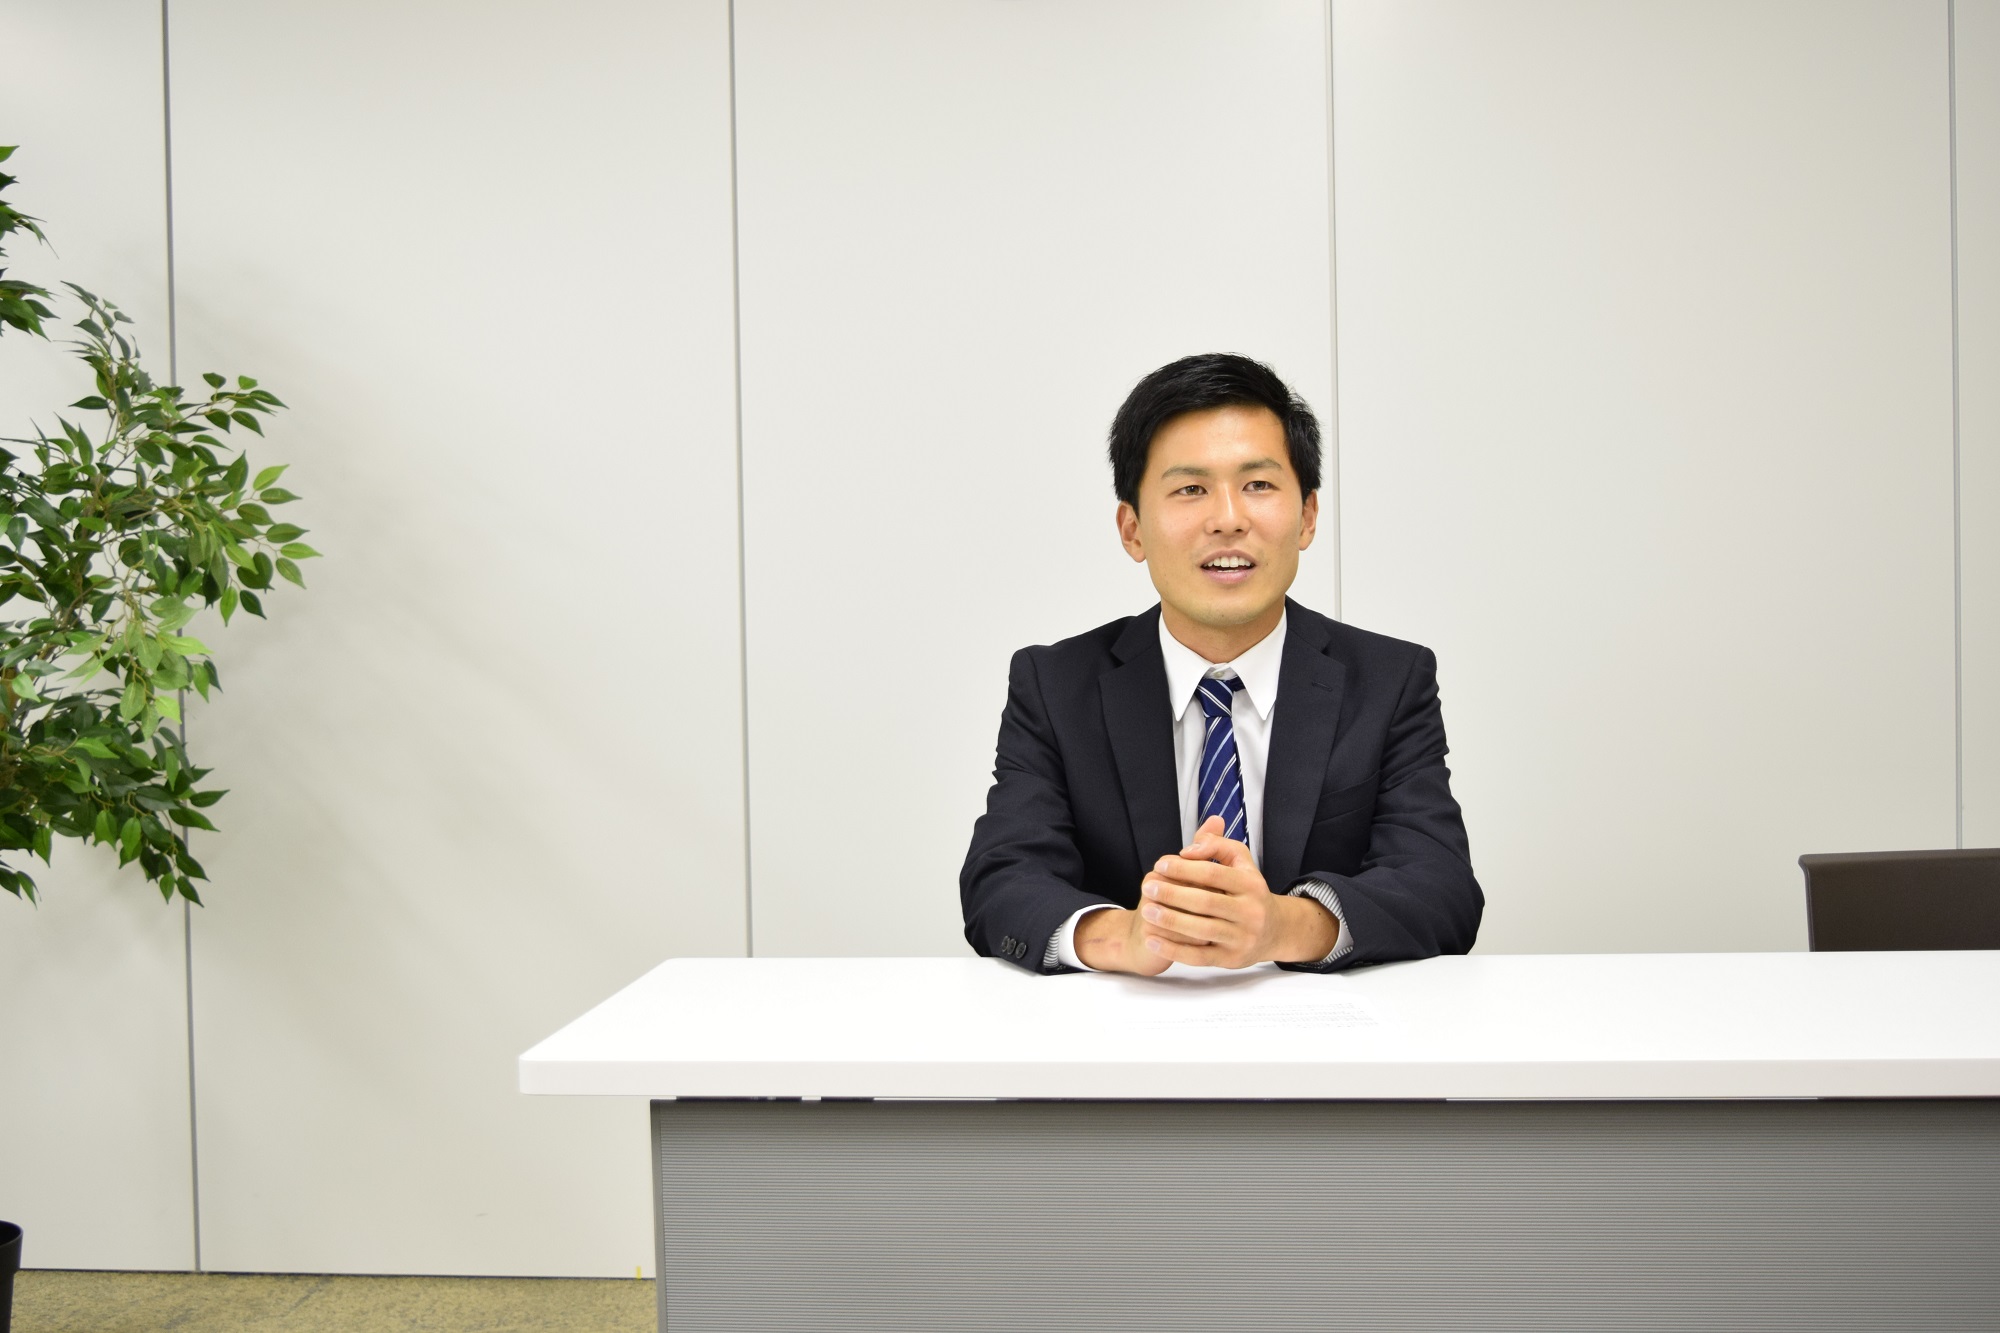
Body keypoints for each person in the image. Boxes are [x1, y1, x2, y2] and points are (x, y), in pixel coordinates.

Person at [960, 353, 1482, 975]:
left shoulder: (1390, 681)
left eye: (1258, 485)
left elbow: (1440, 886)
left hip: (1326, 1027)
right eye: (1190, 489)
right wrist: (1129, 937)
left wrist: (1283, 926)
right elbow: (1002, 878)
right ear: (1132, 529)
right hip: (1125, 1023)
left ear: (1307, 516)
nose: (1228, 519)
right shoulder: (1055, 686)